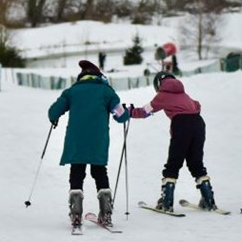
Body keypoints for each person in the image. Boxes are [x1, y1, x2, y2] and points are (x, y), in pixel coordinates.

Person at [48, 60, 129, 229]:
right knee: (99, 171)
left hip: (76, 139)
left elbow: (53, 112)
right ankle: (106, 211)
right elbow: (120, 116)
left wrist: (54, 118)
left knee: (77, 171)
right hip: (98, 140)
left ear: (82, 76)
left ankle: (76, 211)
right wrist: (127, 111)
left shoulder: (72, 91)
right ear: (99, 76)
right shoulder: (107, 91)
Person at [129, 72, 218, 213]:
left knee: (174, 163)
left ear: (158, 84)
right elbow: (197, 105)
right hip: (198, 124)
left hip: (181, 125)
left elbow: (146, 111)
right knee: (196, 163)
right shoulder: (184, 94)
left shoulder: (163, 95)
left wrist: (130, 112)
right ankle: (208, 199)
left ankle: (167, 201)